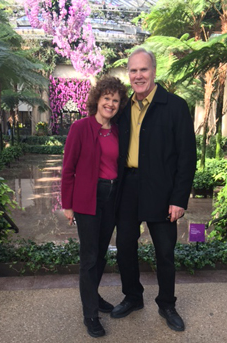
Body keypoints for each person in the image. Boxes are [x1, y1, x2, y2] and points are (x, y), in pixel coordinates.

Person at [110, 48, 197, 332]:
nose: (138, 76)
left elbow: (187, 157)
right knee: (124, 246)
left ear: (154, 71)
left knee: (164, 252)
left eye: (143, 70)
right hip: (128, 188)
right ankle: (133, 297)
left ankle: (167, 304)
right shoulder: (122, 108)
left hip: (162, 189)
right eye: (133, 71)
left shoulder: (175, 106)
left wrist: (179, 199)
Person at [61, 75, 128, 338]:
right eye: (106, 98)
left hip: (112, 198)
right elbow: (68, 170)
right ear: (97, 99)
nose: (110, 103)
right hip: (88, 198)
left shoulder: (118, 131)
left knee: (100, 254)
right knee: (89, 257)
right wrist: (68, 205)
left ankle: (93, 295)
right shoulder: (80, 128)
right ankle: (90, 313)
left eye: (115, 100)